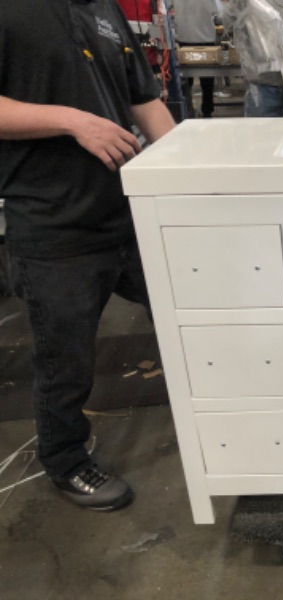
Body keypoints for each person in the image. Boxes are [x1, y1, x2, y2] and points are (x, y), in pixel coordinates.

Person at [0, 0, 176, 511]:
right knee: (66, 359)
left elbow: (144, 100)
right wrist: (72, 120)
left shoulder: (104, 10)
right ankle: (66, 458)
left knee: (190, 314)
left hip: (128, 211)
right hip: (56, 224)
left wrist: (189, 168)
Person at [172, 0, 223, 118]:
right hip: (207, 40)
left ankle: (186, 110)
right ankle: (207, 111)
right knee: (207, 80)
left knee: (185, 80)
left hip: (184, 39)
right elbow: (219, 14)